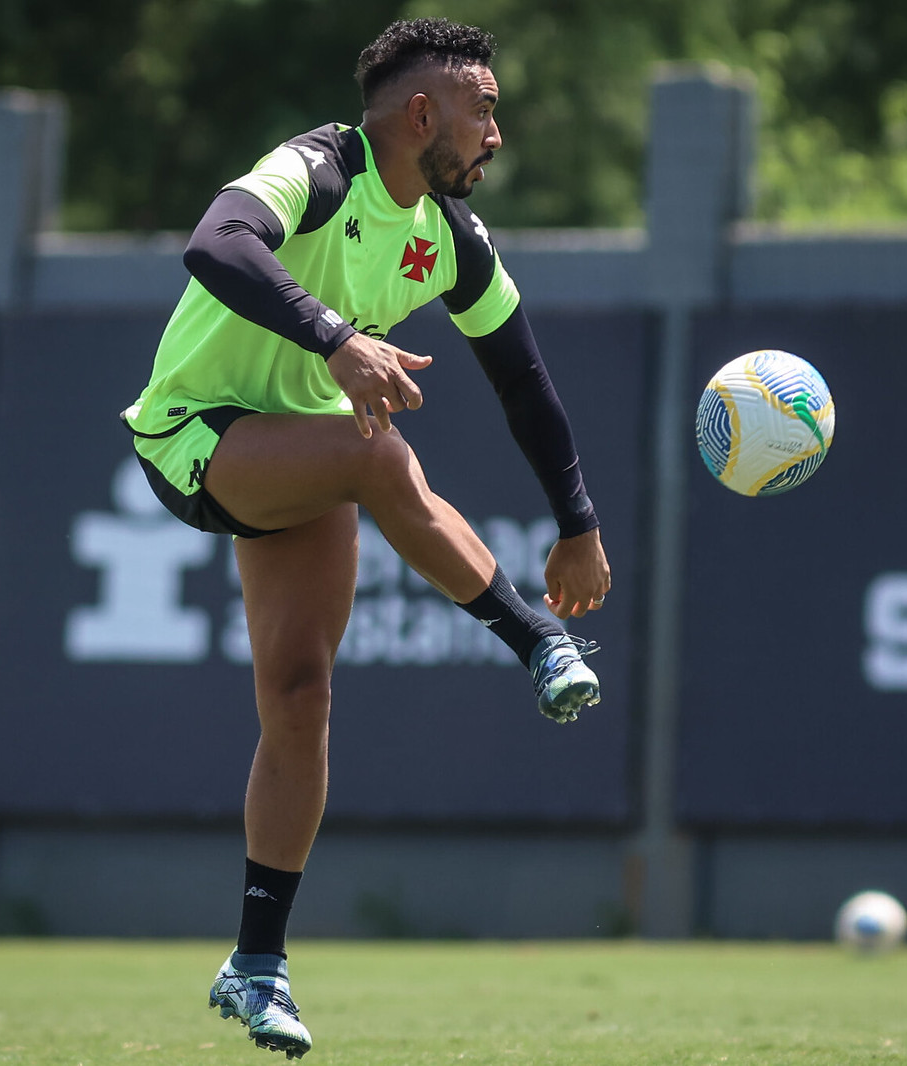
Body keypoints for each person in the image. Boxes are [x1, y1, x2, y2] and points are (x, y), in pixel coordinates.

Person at [118, 16, 611, 1061]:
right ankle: (536, 641)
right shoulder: (319, 167)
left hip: (297, 460)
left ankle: (255, 964)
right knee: (376, 455)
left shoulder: (454, 242)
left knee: (300, 699)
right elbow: (216, 243)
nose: (496, 135)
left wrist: (578, 524)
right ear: (421, 112)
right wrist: (336, 337)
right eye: (483, 110)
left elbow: (523, 381)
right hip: (192, 436)